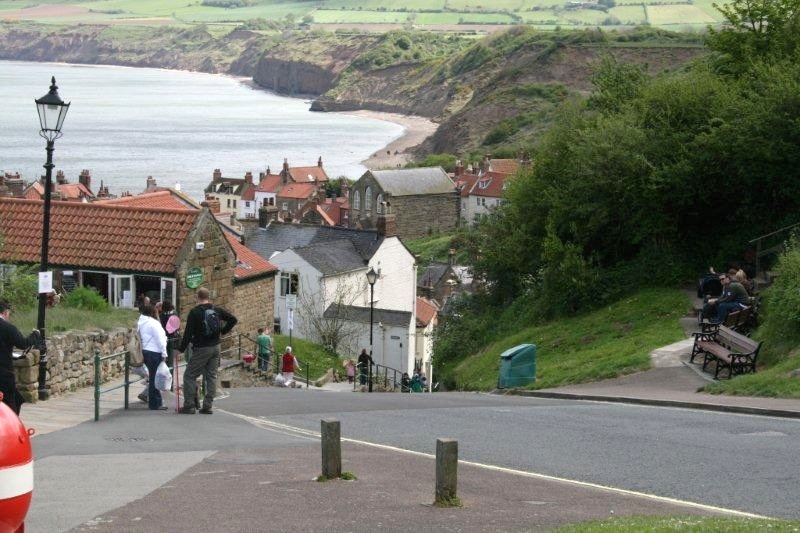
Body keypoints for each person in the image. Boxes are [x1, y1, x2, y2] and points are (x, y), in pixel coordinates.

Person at [177, 287, 237, 414]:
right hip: (216, 347)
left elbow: (187, 334)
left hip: (202, 348)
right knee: (211, 376)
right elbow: (233, 320)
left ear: (197, 297)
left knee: (189, 375)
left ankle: (189, 405)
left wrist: (181, 349)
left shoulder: (195, 312)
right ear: (208, 297)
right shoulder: (217, 310)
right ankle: (207, 406)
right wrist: (223, 331)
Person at [0, 299, 41, 415]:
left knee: (17, 398)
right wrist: (35, 335)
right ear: (5, 312)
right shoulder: (8, 328)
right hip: (4, 373)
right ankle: (12, 430)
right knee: (10, 404)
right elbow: (23, 343)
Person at [138, 303, 169, 411]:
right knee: (154, 378)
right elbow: (161, 339)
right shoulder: (154, 323)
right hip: (155, 352)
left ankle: (156, 401)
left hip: (145, 351)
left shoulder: (140, 322)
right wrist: (164, 354)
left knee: (152, 377)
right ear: (152, 312)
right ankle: (155, 403)